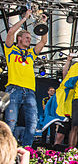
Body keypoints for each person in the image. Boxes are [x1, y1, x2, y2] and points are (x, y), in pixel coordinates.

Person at [4, 9, 48, 146]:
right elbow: (10, 32)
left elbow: (43, 42)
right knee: (10, 123)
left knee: (32, 123)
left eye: (30, 38)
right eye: (27, 38)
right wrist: (25, 19)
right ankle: (8, 153)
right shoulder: (11, 50)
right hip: (14, 89)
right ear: (19, 39)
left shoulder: (30, 54)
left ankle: (27, 150)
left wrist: (43, 23)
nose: (29, 40)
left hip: (29, 91)